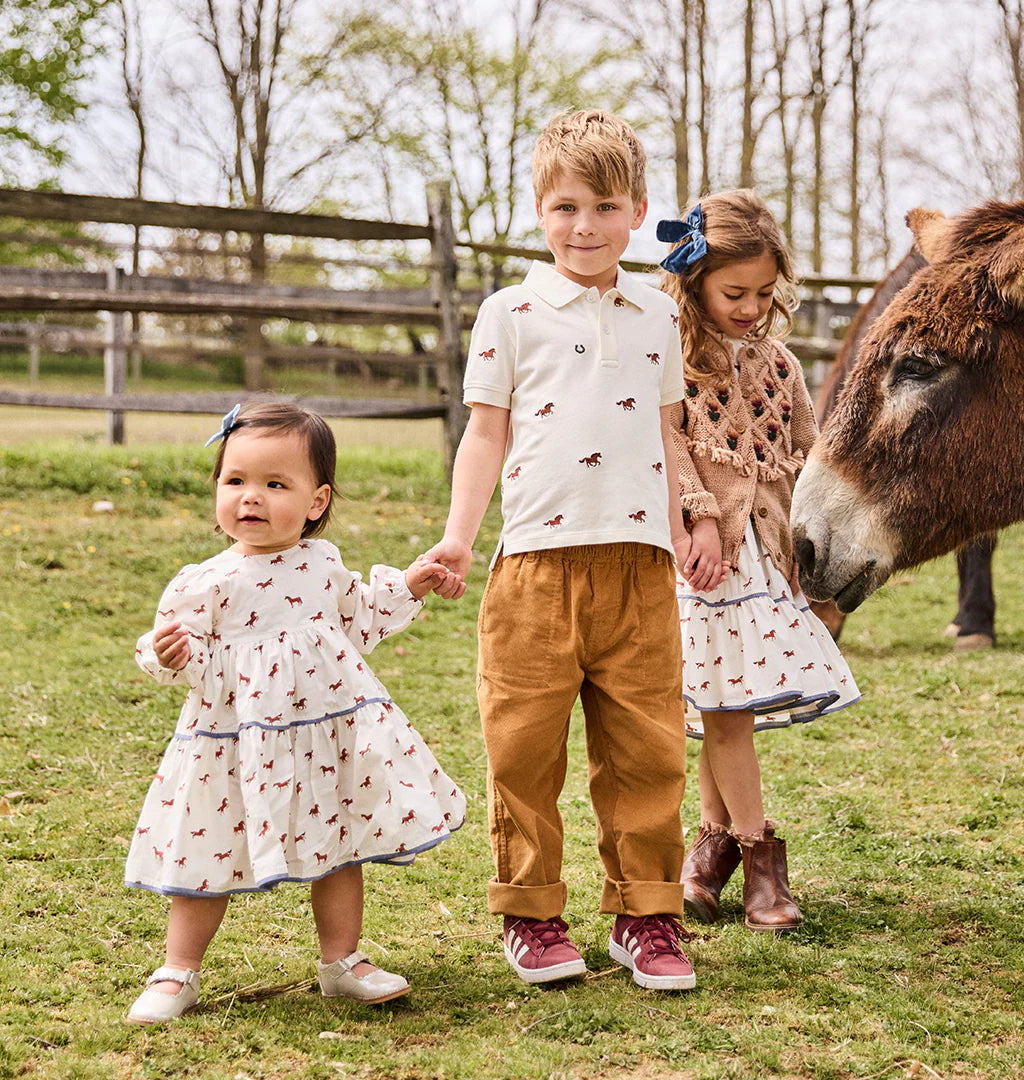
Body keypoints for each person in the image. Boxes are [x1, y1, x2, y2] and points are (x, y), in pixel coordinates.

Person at [425, 109, 697, 991]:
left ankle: (646, 914)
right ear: (540, 211)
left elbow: (667, 433)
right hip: (534, 567)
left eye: (607, 206)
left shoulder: (659, 316)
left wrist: (688, 522)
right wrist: (457, 540)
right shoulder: (509, 313)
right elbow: (483, 435)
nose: (586, 227)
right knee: (522, 748)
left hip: (640, 566)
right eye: (567, 207)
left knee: (648, 749)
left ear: (639, 210)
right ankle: (533, 915)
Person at [124, 401, 466, 1024]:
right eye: (235, 481)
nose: (250, 498)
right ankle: (178, 970)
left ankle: (342, 961)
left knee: (337, 844)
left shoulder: (322, 564)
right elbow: (189, 661)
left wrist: (411, 583)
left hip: (323, 735)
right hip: (232, 744)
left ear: (316, 501)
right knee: (207, 849)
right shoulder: (205, 582)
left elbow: (360, 620)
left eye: (275, 484)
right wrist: (172, 653)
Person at [658, 189, 861, 931]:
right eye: (732, 292)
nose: (748, 307)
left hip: (762, 560)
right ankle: (758, 851)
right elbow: (670, 446)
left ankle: (713, 848)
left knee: (725, 703)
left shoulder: (777, 365)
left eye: (762, 294)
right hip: (703, 558)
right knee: (723, 708)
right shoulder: (672, 356)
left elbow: (806, 450)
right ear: (694, 280)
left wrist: (805, 540)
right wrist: (702, 519)